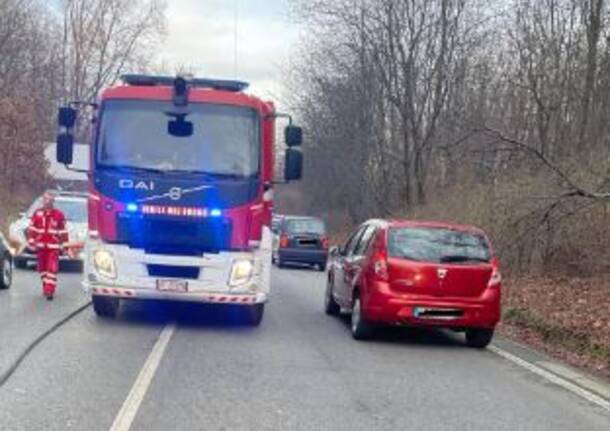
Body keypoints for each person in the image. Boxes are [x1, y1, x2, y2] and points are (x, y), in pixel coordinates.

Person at [26, 192, 70, 300]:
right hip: (40, 247)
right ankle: (46, 286)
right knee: (42, 269)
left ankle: (49, 291)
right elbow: (32, 230)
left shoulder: (58, 215)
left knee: (51, 269)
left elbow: (63, 232)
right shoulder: (37, 213)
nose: (47, 202)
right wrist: (31, 241)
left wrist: (65, 246)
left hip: (53, 248)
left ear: (53, 202)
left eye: (49, 200)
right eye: (45, 200)